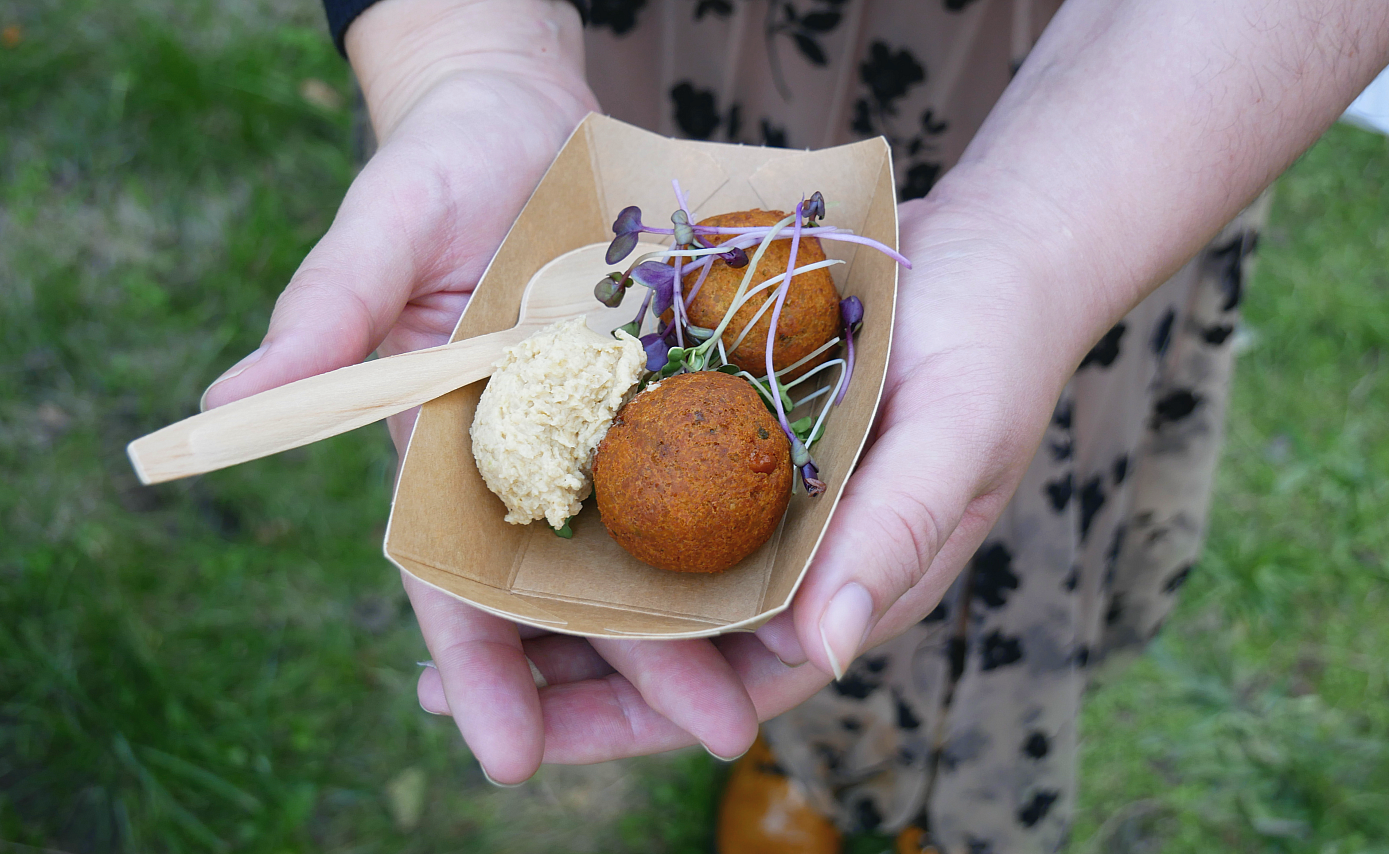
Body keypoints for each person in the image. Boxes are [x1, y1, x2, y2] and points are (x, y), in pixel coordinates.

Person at [201, 1, 1389, 850]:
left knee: (920, 485)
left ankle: (901, 767)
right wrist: (462, 49)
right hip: (620, 63)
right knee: (840, 567)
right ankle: (806, 752)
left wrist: (1039, 233)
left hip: (1109, 103)